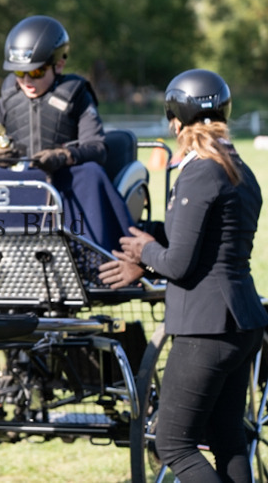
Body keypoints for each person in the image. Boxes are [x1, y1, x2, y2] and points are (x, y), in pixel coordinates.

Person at [99, 68, 268, 482]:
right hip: (241, 322)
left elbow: (178, 264)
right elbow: (206, 240)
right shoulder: (237, 168)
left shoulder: (200, 171)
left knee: (173, 441)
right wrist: (154, 240)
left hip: (206, 328)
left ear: (176, 120)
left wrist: (143, 251)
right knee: (226, 434)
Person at [0, 16, 133, 253]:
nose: (27, 80)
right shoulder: (8, 99)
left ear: (58, 65)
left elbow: (98, 148)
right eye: (20, 72)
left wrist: (62, 155)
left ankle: (95, 258)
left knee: (91, 172)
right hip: (18, 182)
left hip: (62, 179)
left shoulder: (76, 94)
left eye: (36, 72)